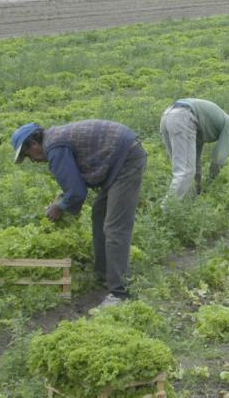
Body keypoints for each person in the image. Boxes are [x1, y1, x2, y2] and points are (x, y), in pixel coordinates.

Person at [10, 120, 147, 308]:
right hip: (118, 156)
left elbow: (76, 193)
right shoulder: (54, 140)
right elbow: (75, 183)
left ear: (34, 143)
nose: (32, 161)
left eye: (28, 155)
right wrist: (62, 200)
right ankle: (104, 273)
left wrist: (59, 207)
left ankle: (119, 293)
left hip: (125, 158)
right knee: (99, 213)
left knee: (115, 227)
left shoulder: (54, 147)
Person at [159, 98, 229, 202]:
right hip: (184, 117)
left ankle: (188, 202)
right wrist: (211, 181)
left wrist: (198, 188)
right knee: (185, 172)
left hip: (168, 115)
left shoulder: (206, 125)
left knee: (183, 170)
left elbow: (195, 162)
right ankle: (166, 210)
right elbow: (218, 159)